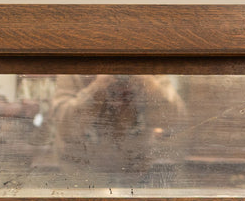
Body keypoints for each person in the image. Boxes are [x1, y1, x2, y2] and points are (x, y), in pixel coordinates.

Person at [49, 74, 186, 181]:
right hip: (82, 176)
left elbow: (175, 120)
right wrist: (98, 87)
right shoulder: (76, 71)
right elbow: (64, 125)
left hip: (136, 173)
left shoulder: (149, 70)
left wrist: (147, 82)